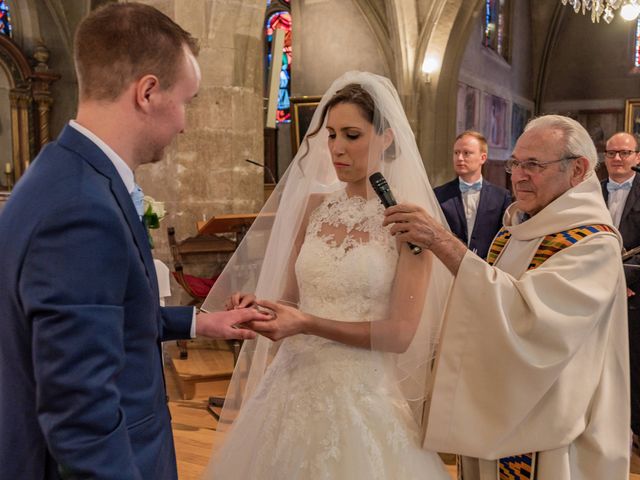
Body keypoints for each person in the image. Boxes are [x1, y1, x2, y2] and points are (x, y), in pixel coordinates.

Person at [0, 4, 269, 479]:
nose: (186, 123)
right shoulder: (81, 209)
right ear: (147, 92)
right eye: (186, 100)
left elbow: (102, 314)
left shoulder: (65, 173)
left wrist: (201, 324)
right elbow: (81, 416)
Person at [200, 71, 453, 479]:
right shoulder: (313, 208)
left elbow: (400, 333)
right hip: (291, 386)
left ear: (386, 137)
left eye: (352, 135)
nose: (337, 148)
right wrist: (260, 307)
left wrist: (309, 323)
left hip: (362, 394)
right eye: (331, 135)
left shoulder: (408, 223)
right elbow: (291, 301)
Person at [383, 115, 630, 479]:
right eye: (516, 163)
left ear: (577, 170)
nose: (518, 175)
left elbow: (531, 321)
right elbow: (486, 306)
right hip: (505, 407)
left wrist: (441, 241)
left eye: (533, 164)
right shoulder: (516, 232)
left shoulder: (593, 243)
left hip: (553, 431)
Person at [601, 132, 640, 448]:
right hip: (594, 292)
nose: (617, 158)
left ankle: (632, 427)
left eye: (624, 153)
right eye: (612, 153)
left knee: (632, 361)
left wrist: (626, 282)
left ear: (637, 157)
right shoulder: (590, 192)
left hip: (634, 294)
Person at [434, 130, 511, 259]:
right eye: (456, 153)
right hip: (447, 267)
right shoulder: (438, 194)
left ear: (483, 158)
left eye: (466, 153)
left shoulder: (501, 197)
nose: (459, 158)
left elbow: (505, 239)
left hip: (487, 270)